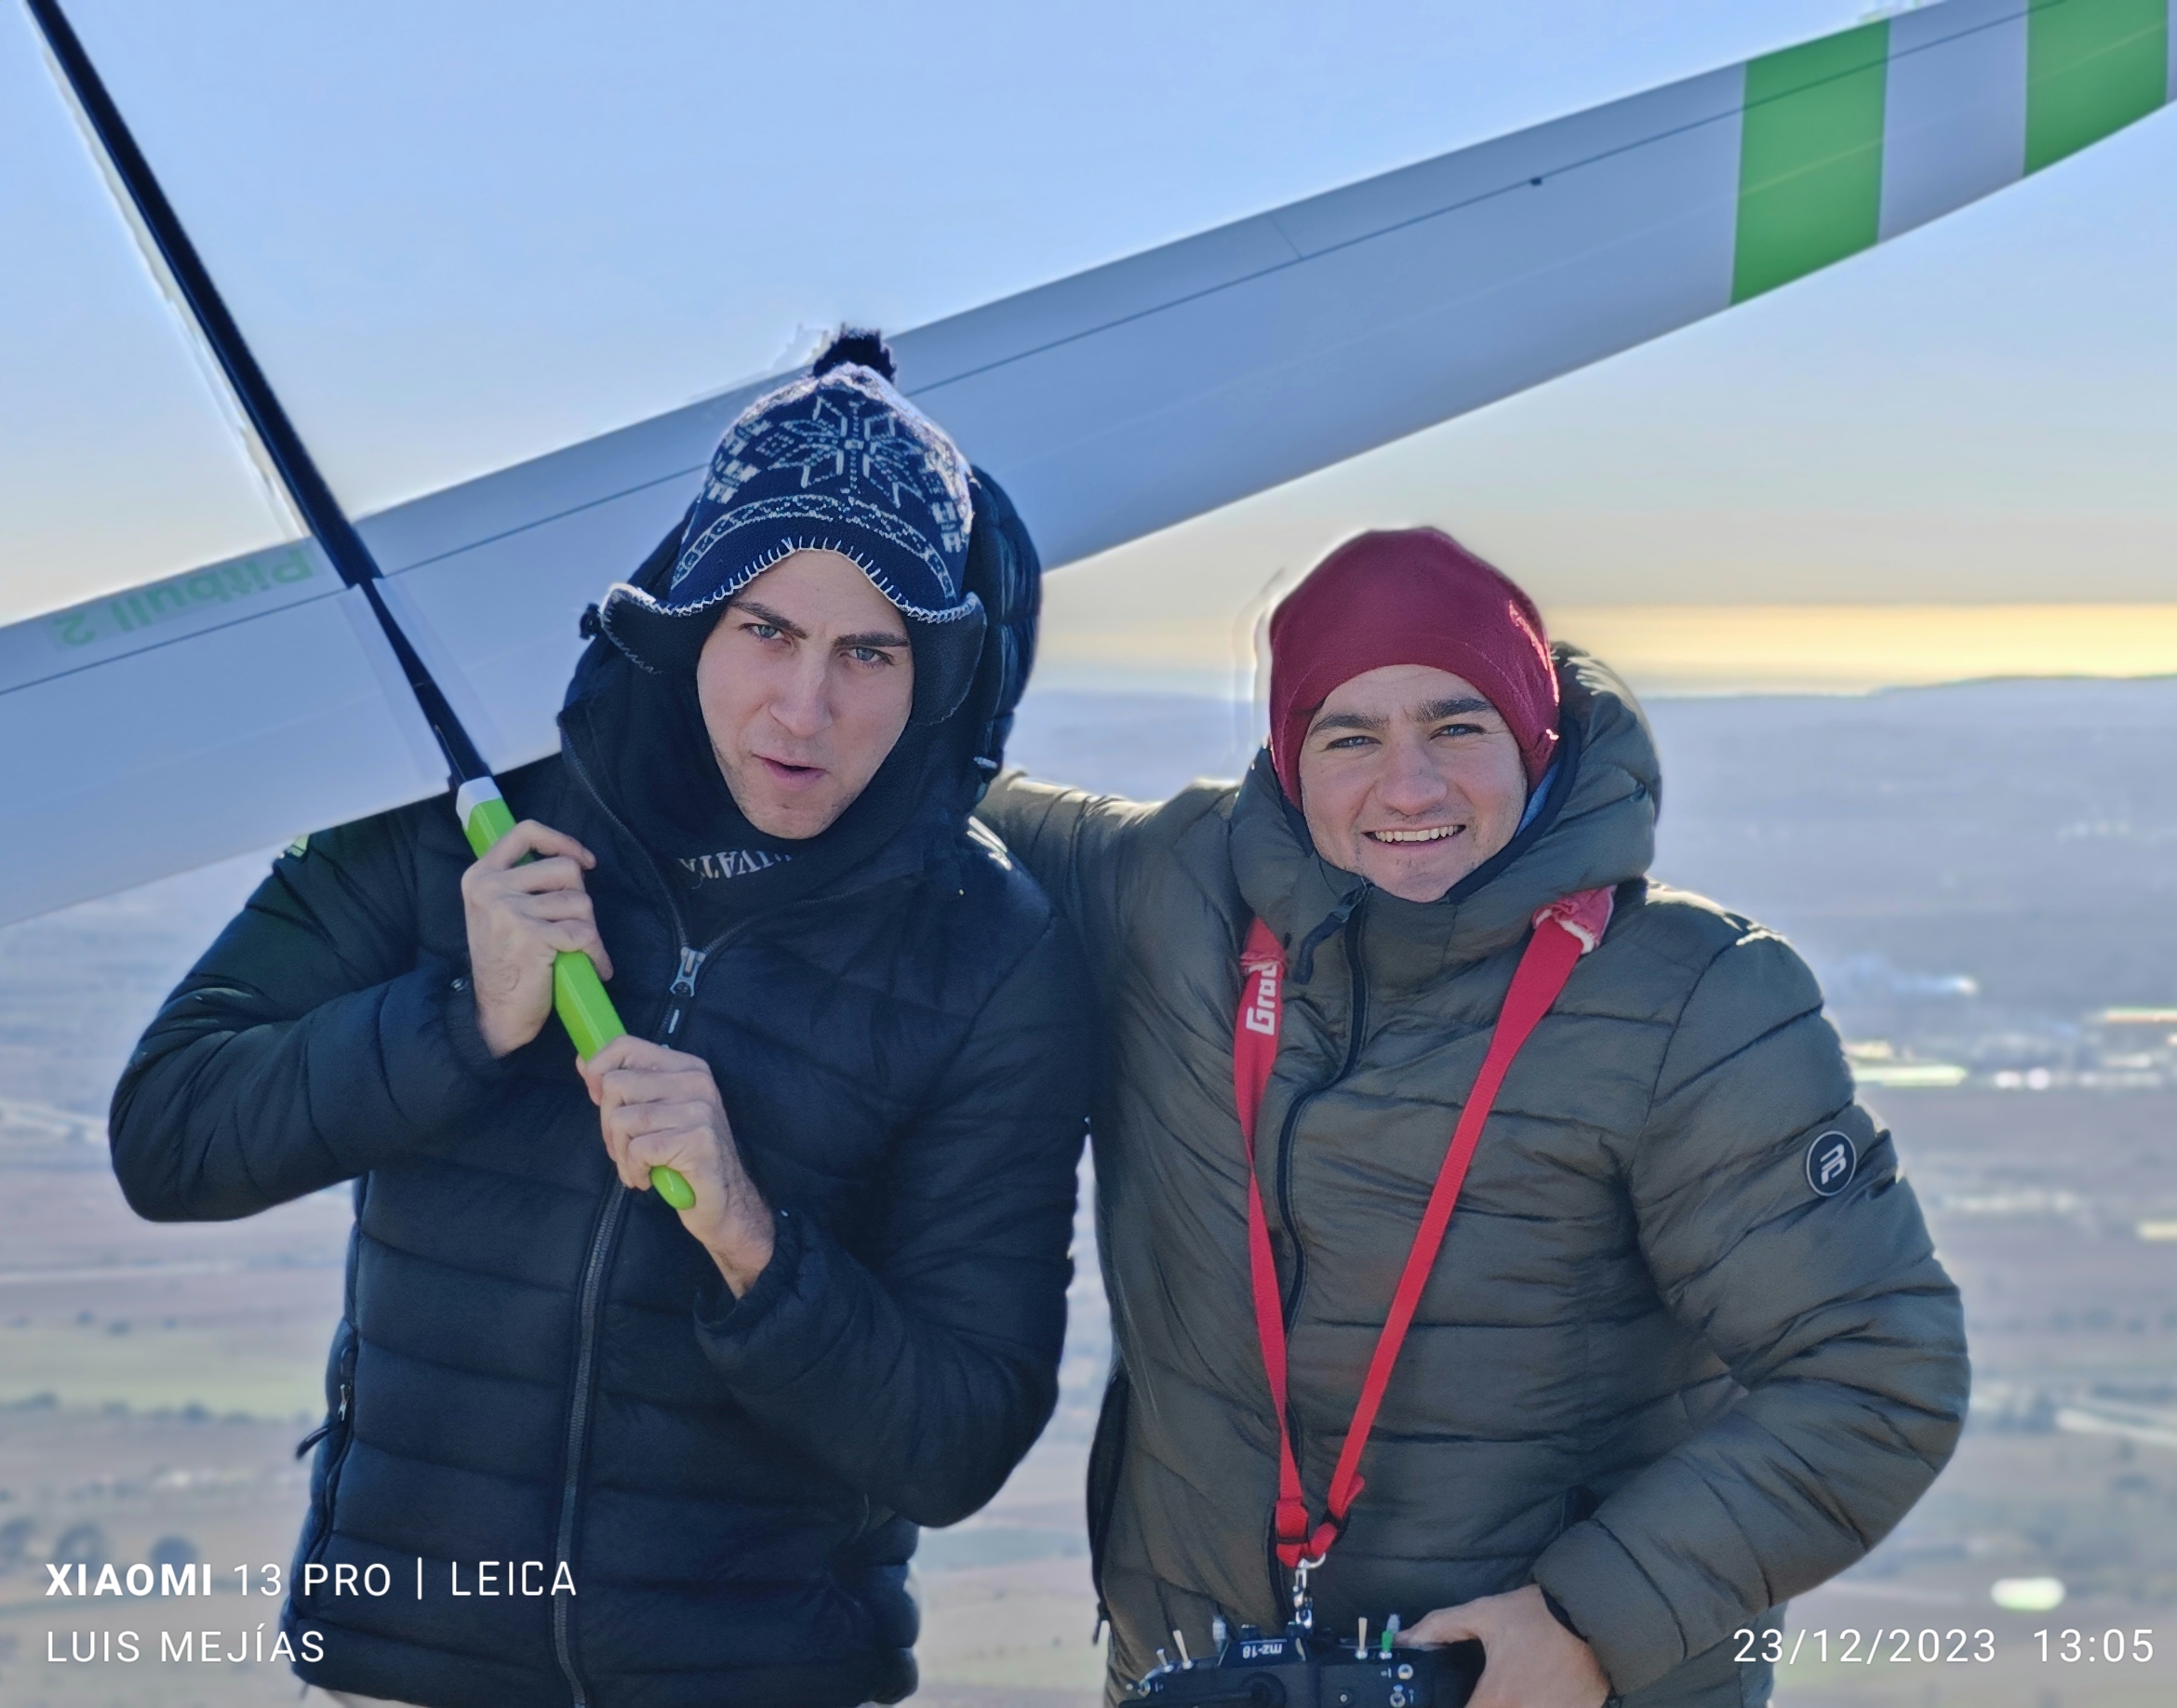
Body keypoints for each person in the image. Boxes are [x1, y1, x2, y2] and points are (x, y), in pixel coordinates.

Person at [109, 335, 1091, 1708]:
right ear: (691, 621)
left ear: (933, 672)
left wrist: (749, 1236)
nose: (804, 707)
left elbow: (956, 1443)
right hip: (413, 1665)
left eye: (868, 651)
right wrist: (464, 1020)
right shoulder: (469, 815)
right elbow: (169, 1136)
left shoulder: (984, 952)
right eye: (765, 631)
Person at [982, 528, 1969, 1708]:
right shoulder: (1168, 896)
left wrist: (1587, 1624)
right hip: (1194, 1676)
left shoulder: (1690, 998)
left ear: (1531, 736)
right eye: (1350, 737)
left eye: (1456, 727)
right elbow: (900, 784)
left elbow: (1876, 1370)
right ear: (1288, 759)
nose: (1408, 787)